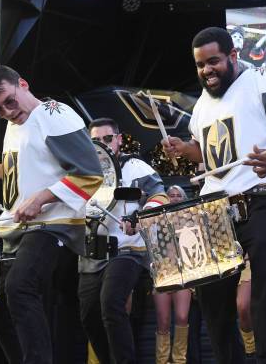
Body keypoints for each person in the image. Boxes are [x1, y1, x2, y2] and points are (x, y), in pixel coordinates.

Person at [162, 26, 266, 364]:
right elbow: (211, 154)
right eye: (200, 65)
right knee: (213, 302)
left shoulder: (264, 82)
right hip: (216, 208)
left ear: (233, 55)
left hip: (264, 200)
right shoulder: (201, 105)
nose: (206, 70)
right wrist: (186, 149)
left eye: (213, 61)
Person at [0, 65, 103, 364]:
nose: (6, 110)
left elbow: (90, 174)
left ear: (23, 84)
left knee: (20, 287)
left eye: (9, 100)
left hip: (52, 225)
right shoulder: (15, 123)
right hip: (22, 230)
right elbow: (34, 172)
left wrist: (41, 199)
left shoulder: (55, 114)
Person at [78, 117, 168, 364]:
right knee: (89, 316)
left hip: (128, 248)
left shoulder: (135, 167)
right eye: (96, 141)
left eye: (108, 139)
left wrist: (139, 216)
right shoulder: (82, 172)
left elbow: (160, 195)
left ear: (118, 139)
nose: (103, 145)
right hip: (92, 252)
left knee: (111, 304)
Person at [153, 184, 192, 364]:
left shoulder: (189, 220)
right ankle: (162, 361)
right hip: (163, 271)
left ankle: (179, 360)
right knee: (163, 320)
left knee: (182, 317)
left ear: (182, 199)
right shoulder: (155, 220)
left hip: (184, 271)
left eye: (178, 195)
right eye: (171, 195)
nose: (174, 198)